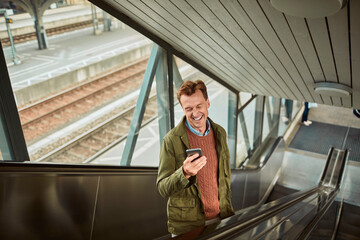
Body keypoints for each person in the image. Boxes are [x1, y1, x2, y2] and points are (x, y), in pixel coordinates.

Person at [157, 80, 234, 236]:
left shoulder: (220, 133)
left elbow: (223, 177)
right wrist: (184, 173)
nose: (195, 113)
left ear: (207, 103)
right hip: (188, 226)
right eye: (189, 109)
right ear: (183, 109)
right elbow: (162, 188)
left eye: (199, 106)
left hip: (220, 218)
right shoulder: (171, 140)